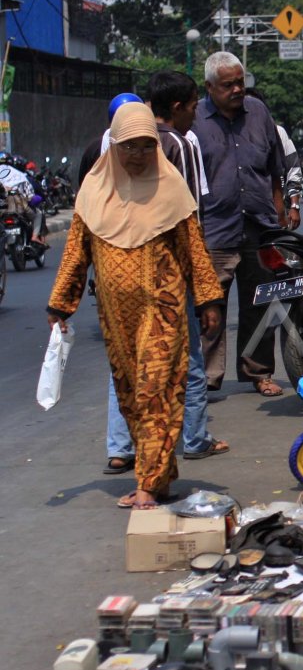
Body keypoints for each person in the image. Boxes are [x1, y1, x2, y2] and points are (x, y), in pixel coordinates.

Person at [47, 102, 224, 508]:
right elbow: (76, 254)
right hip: (115, 318)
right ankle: (159, 477)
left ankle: (147, 483)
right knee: (130, 394)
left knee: (155, 390)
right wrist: (60, 306)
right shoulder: (92, 193)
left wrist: (209, 299)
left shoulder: (172, 190)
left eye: (146, 146)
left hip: (163, 310)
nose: (137, 154)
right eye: (129, 146)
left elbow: (194, 250)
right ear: (114, 146)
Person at [104, 73, 229, 474]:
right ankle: (193, 438)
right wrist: (203, 286)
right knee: (188, 361)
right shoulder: (177, 144)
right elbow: (190, 220)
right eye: (194, 106)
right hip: (166, 276)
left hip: (119, 274)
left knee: (124, 361)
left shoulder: (106, 150)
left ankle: (121, 445)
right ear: (177, 107)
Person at [191, 50, 293, 397]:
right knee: (210, 304)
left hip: (259, 224)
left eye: (240, 82)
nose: (237, 90)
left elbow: (275, 167)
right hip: (215, 227)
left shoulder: (258, 112)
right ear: (209, 87)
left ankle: (258, 372)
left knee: (261, 301)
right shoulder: (195, 119)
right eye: (228, 85)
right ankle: (207, 377)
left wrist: (278, 211)